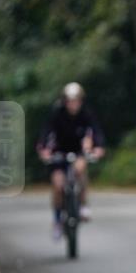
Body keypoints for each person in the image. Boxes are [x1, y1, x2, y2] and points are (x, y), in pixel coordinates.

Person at [36, 83, 105, 239]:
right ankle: (57, 220)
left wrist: (99, 147)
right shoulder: (57, 114)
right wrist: (44, 149)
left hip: (78, 151)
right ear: (65, 101)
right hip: (59, 153)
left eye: (77, 101)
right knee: (58, 185)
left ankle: (83, 205)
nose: (74, 104)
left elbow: (95, 131)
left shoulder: (86, 114)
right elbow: (46, 132)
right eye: (70, 101)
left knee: (80, 169)